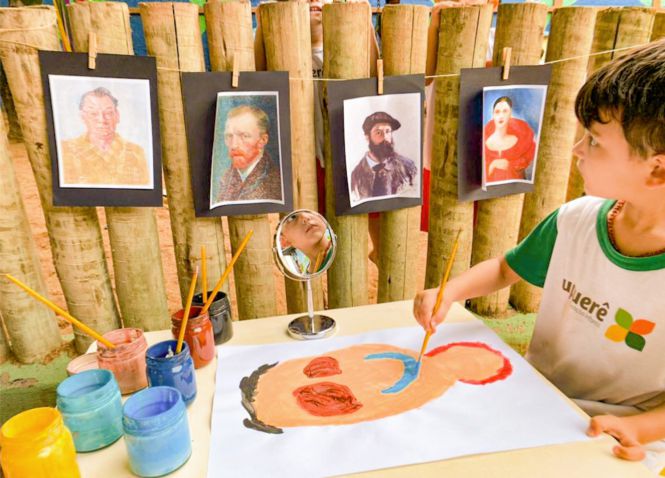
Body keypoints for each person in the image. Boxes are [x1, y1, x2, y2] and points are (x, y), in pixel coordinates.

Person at [414, 39, 665, 473]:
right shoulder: (575, 220)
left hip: (620, 438)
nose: (576, 150)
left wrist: (639, 429)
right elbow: (505, 268)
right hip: (532, 400)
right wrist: (450, 290)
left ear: (657, 168)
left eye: (594, 141)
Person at [60, 87, 150, 187]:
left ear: (117, 116)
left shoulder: (136, 152)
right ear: (83, 117)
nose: (102, 120)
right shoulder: (65, 150)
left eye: (108, 113)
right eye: (93, 114)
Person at [215, 104, 282, 203]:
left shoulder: (276, 182)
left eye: (244, 136)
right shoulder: (224, 180)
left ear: (262, 140)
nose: (234, 145)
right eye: (229, 136)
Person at [350, 111, 418, 202]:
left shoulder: (408, 167)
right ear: (367, 137)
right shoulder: (356, 175)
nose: (385, 137)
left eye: (388, 131)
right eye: (378, 132)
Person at [484, 95, 536, 183]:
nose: (501, 116)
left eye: (505, 111)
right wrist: (492, 165)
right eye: (497, 112)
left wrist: (508, 165)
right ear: (493, 115)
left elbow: (523, 168)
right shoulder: (483, 141)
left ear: (510, 114)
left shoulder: (522, 141)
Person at [279, 210, 333, 274]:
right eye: (292, 217)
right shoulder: (307, 275)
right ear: (283, 241)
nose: (305, 217)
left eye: (308, 210)